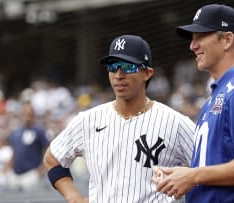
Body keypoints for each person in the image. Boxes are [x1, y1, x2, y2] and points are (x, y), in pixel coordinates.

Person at [43, 34, 195, 203]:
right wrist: (74, 198)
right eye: (113, 66)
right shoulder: (88, 120)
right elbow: (52, 159)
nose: (118, 74)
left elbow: (208, 169)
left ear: (147, 73)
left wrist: (190, 179)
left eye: (127, 67)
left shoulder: (175, 122)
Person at [153, 4, 234, 203]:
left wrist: (193, 176)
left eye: (201, 36)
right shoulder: (221, 92)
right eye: (193, 39)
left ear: (227, 40)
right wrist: (180, 176)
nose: (193, 46)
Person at [6, 102, 49, 191]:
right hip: (15, 175)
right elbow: (15, 152)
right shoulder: (15, 132)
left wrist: (40, 170)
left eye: (30, 114)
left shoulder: (39, 131)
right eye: (25, 114)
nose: (27, 117)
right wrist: (8, 167)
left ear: (34, 116)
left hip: (31, 174)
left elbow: (48, 150)